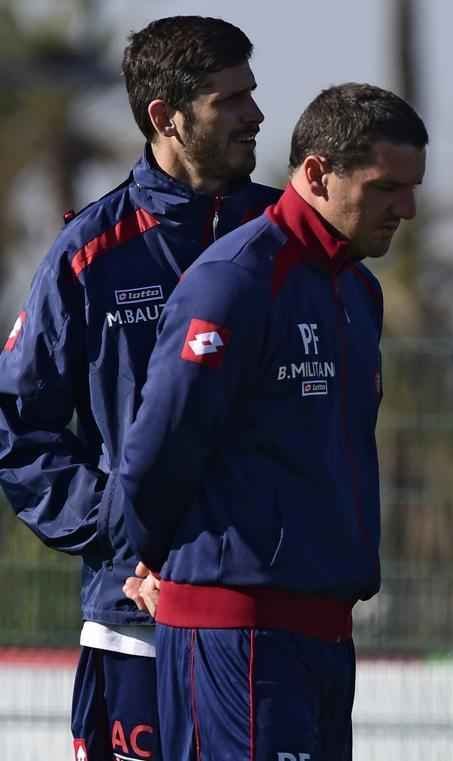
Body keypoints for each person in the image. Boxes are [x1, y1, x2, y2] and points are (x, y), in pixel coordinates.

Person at [116, 82, 426, 761]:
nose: (406, 208)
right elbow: (156, 450)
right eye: (385, 188)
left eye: (412, 189)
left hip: (324, 636)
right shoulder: (235, 280)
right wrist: (155, 557)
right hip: (239, 637)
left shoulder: (357, 290)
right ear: (317, 173)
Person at [0, 16, 275, 761]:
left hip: (269, 622)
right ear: (167, 116)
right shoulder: (91, 254)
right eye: (230, 99)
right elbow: (19, 428)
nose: (256, 113)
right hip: (138, 629)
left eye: (252, 92)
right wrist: (121, 525)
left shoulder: (283, 239)